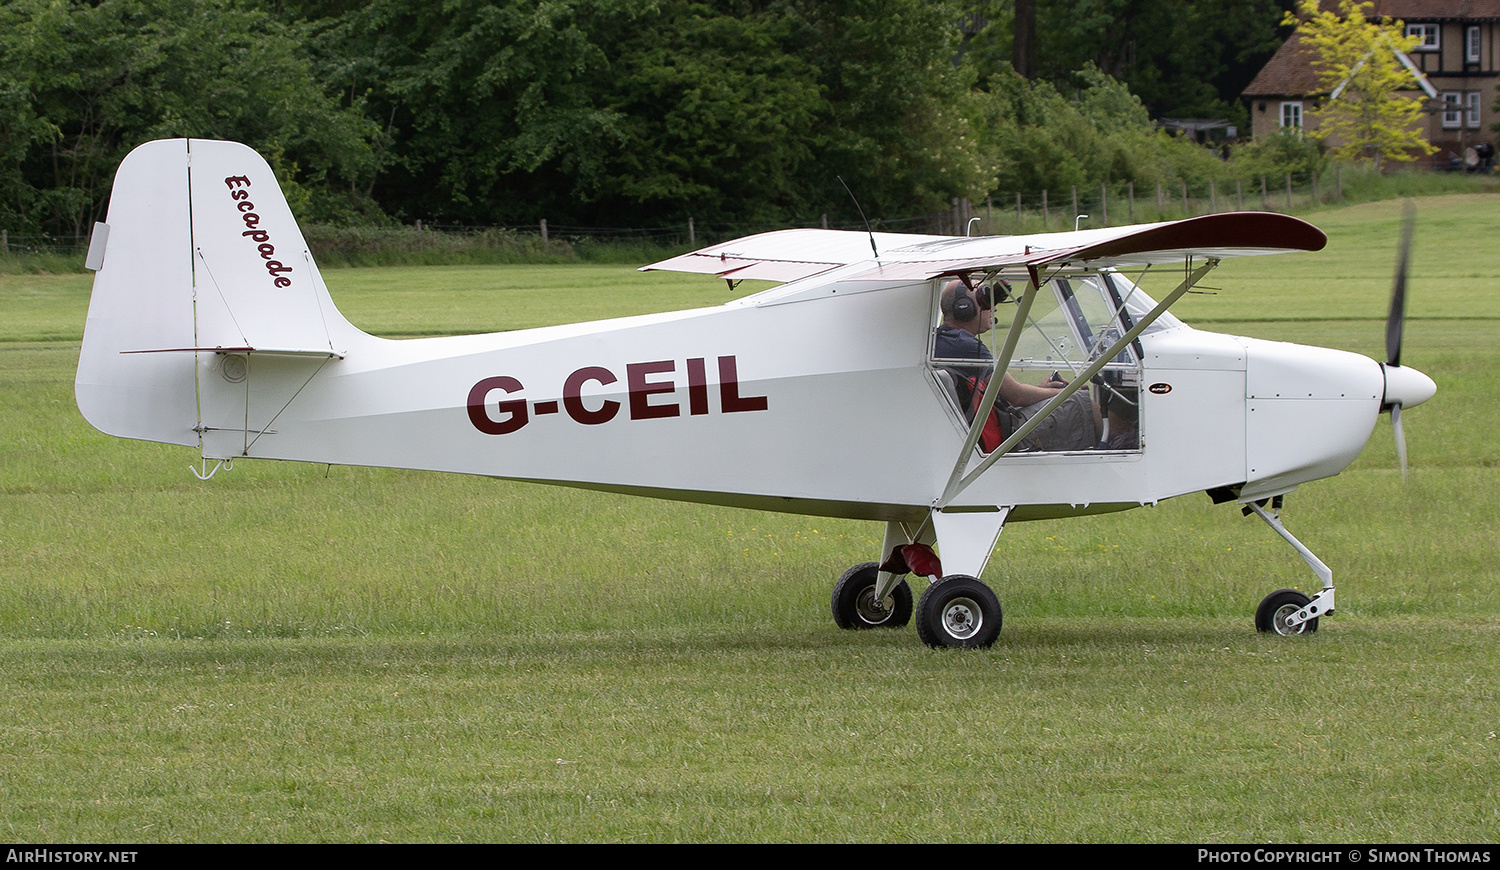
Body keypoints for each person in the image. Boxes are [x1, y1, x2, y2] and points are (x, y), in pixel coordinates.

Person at [934, 279, 1100, 452]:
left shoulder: (943, 341)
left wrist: (1041, 391)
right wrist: (1069, 390)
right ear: (964, 308)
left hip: (992, 423)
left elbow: (1002, 393)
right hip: (1007, 431)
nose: (995, 308)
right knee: (1084, 403)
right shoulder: (966, 345)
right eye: (986, 302)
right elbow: (1017, 395)